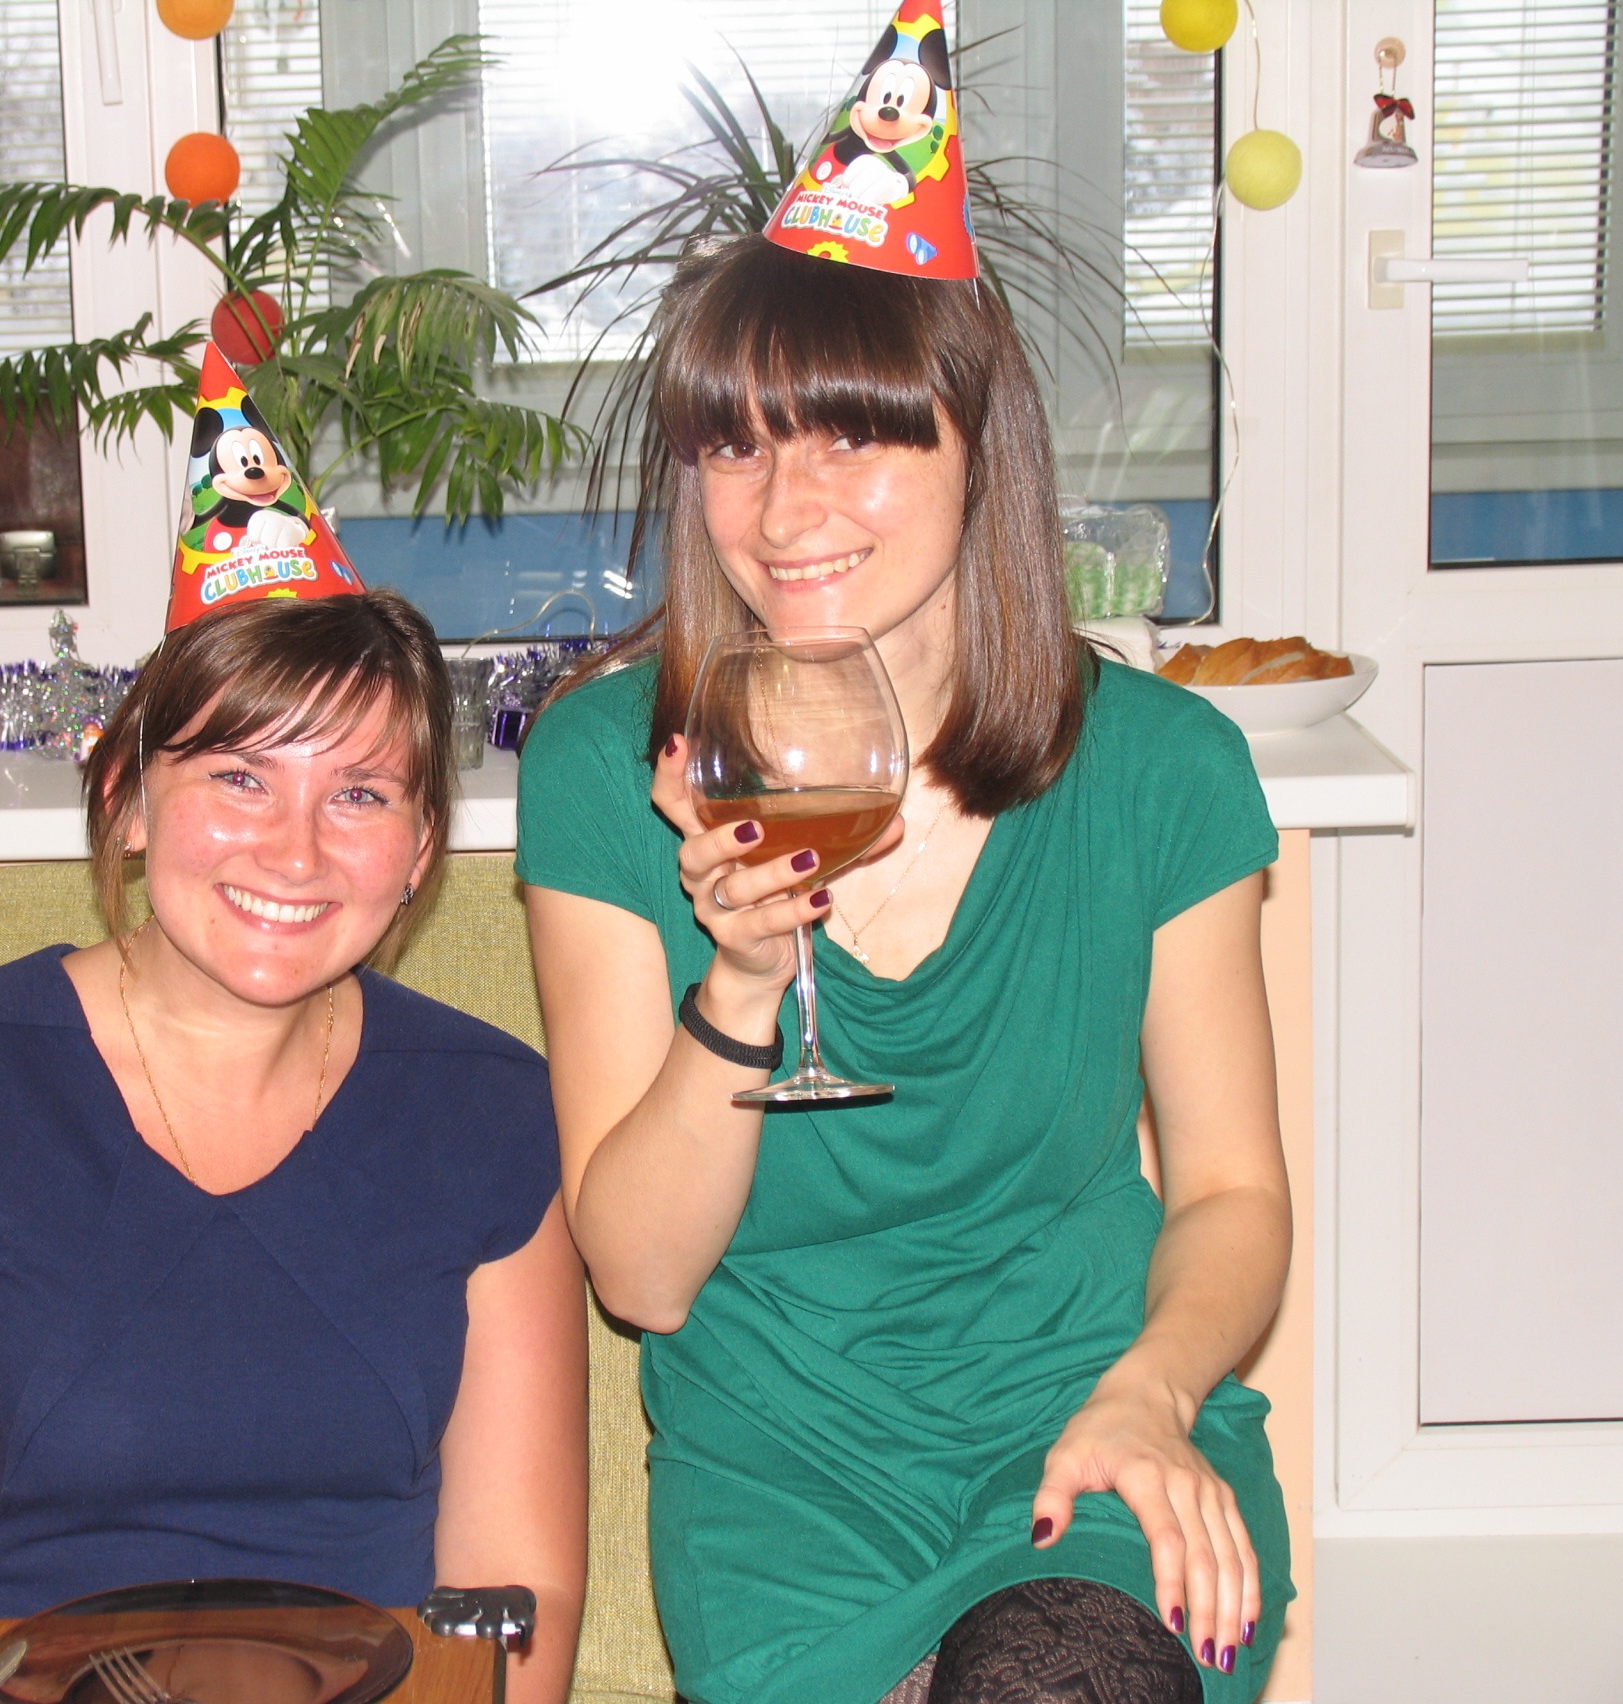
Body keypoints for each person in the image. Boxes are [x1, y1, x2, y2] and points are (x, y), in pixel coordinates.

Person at [517, 229, 1295, 1704]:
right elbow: (643, 1279)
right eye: (736, 448)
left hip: (1093, 1413)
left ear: (979, 447)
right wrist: (740, 988)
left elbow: (1232, 1193)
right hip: (783, 1472)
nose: (783, 508)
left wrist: (1153, 1391)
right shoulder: (603, 770)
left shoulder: (1162, 767)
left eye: (853, 438)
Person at [0, 588, 587, 1704]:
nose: (296, 852)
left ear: (419, 850)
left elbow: (513, 1595)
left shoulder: (491, 1113)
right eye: (240, 778)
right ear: (126, 800)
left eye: (359, 794)